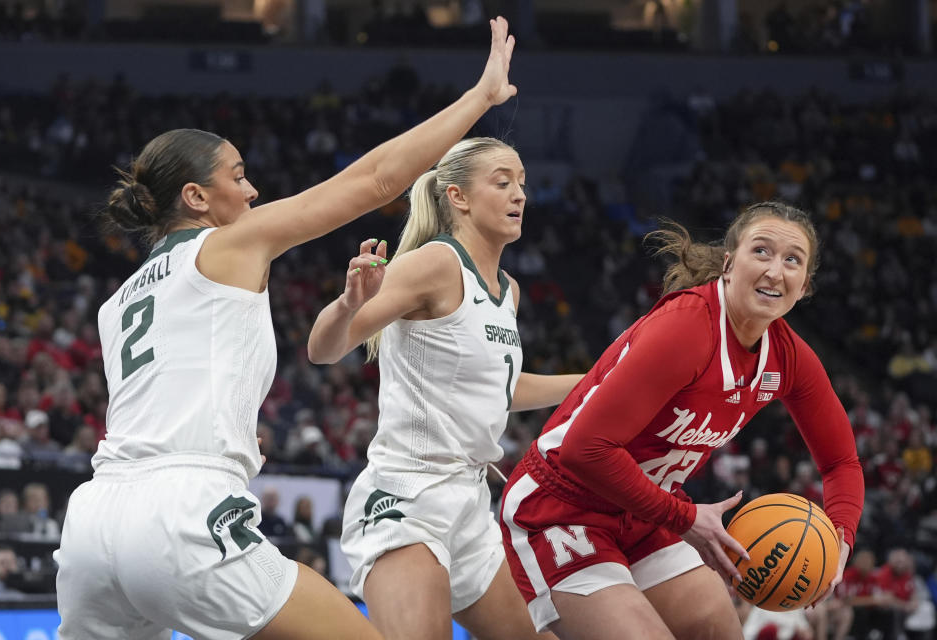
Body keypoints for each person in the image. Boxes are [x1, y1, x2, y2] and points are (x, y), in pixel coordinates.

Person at [54, 16, 518, 640]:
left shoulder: (117, 303)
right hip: (181, 510)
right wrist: (479, 98)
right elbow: (375, 180)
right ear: (195, 196)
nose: (252, 191)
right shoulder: (228, 244)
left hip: (92, 521)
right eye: (238, 176)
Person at [499, 201, 865, 639]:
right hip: (564, 507)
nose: (774, 271)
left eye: (792, 260)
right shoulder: (688, 328)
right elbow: (584, 449)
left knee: (719, 631)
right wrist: (686, 519)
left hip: (649, 510)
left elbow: (841, 462)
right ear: (729, 264)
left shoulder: (789, 357)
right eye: (761, 251)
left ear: (804, 285)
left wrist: (840, 539)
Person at [308, 135, 583, 640]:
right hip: (408, 495)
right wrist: (348, 303)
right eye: (502, 183)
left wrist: (591, 383)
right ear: (457, 196)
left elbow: (498, 388)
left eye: (523, 183)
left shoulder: (508, 290)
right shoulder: (435, 263)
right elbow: (324, 350)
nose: (520, 194)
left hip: (470, 501)